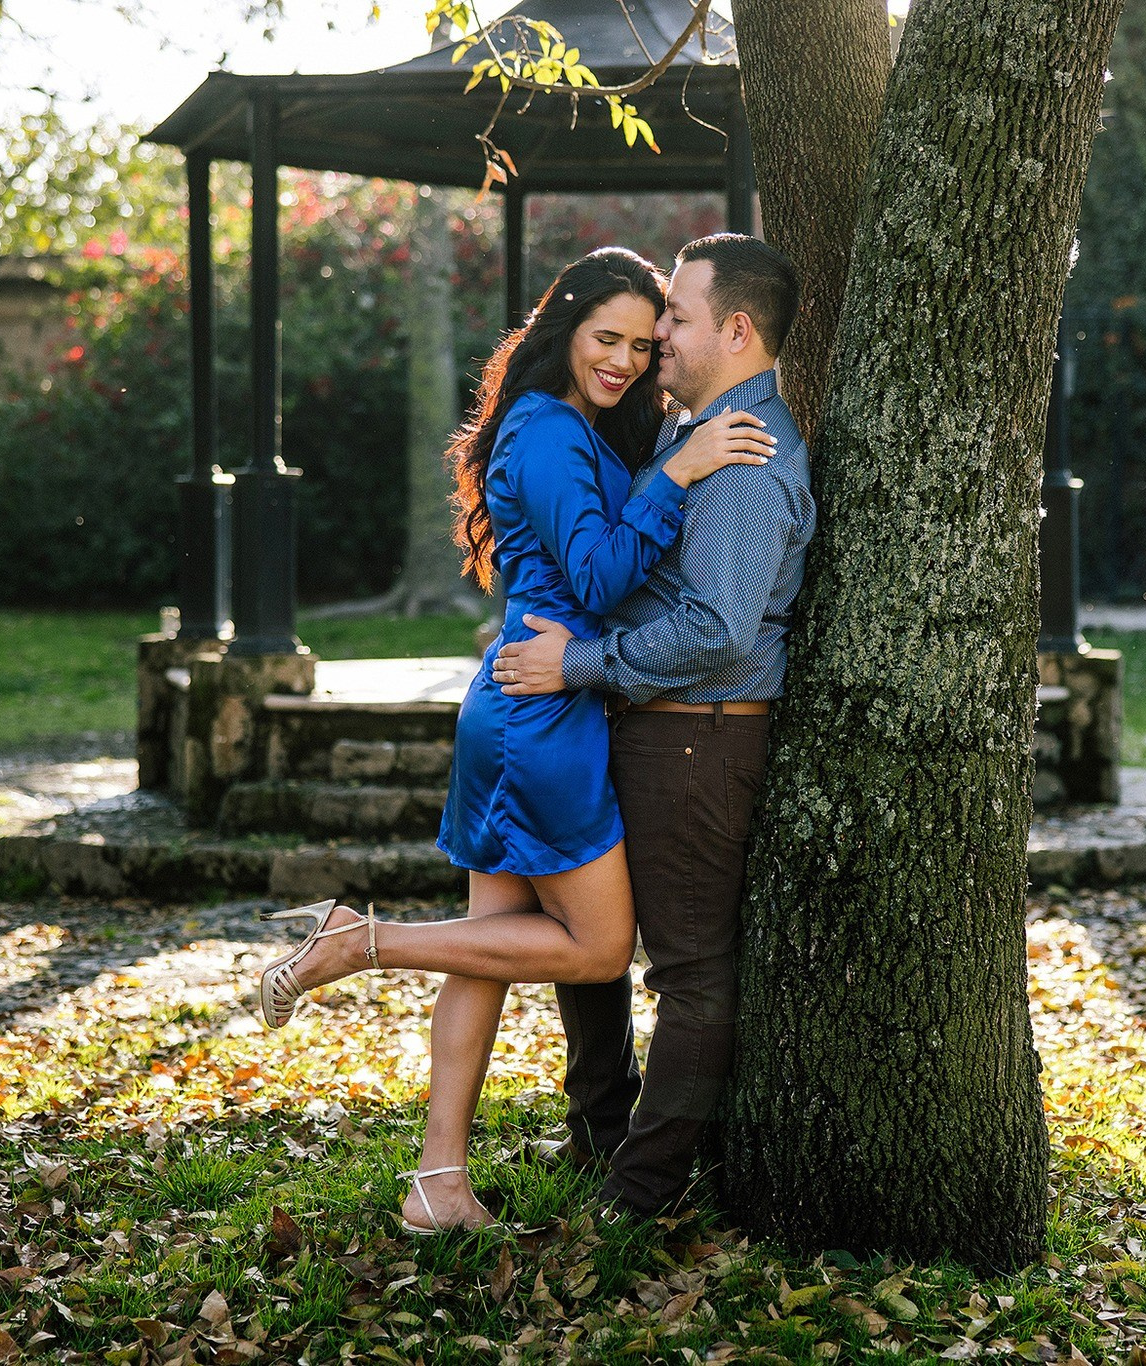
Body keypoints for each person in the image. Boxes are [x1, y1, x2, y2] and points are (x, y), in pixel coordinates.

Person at [254, 247, 778, 1233]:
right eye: (606, 338)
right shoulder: (545, 430)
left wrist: (663, 452)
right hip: (544, 713)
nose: (625, 360)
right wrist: (678, 469)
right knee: (599, 947)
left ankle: (437, 1181)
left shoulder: (578, 426)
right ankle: (361, 939)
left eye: (641, 343)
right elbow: (598, 577)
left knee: (485, 951)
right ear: (562, 329)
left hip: (530, 699)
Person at [491, 233, 812, 1220]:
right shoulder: (688, 432)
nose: (655, 335)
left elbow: (716, 631)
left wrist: (577, 663)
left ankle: (641, 1194)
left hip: (696, 739)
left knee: (689, 970)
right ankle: (598, 1133)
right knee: (584, 940)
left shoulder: (745, 460)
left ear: (736, 329)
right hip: (640, 727)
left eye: (674, 316)